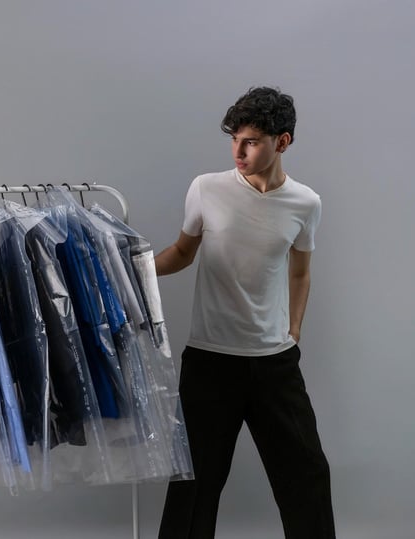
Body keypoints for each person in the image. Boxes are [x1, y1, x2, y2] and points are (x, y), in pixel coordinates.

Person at [156, 87, 335, 538]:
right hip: (210, 360)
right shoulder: (206, 188)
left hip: (274, 362)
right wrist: (132, 270)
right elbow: (182, 252)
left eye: (251, 141)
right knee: (194, 483)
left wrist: (294, 330)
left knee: (307, 475)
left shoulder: (305, 203)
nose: (238, 151)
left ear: (282, 142)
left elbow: (300, 273)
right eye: (234, 139)